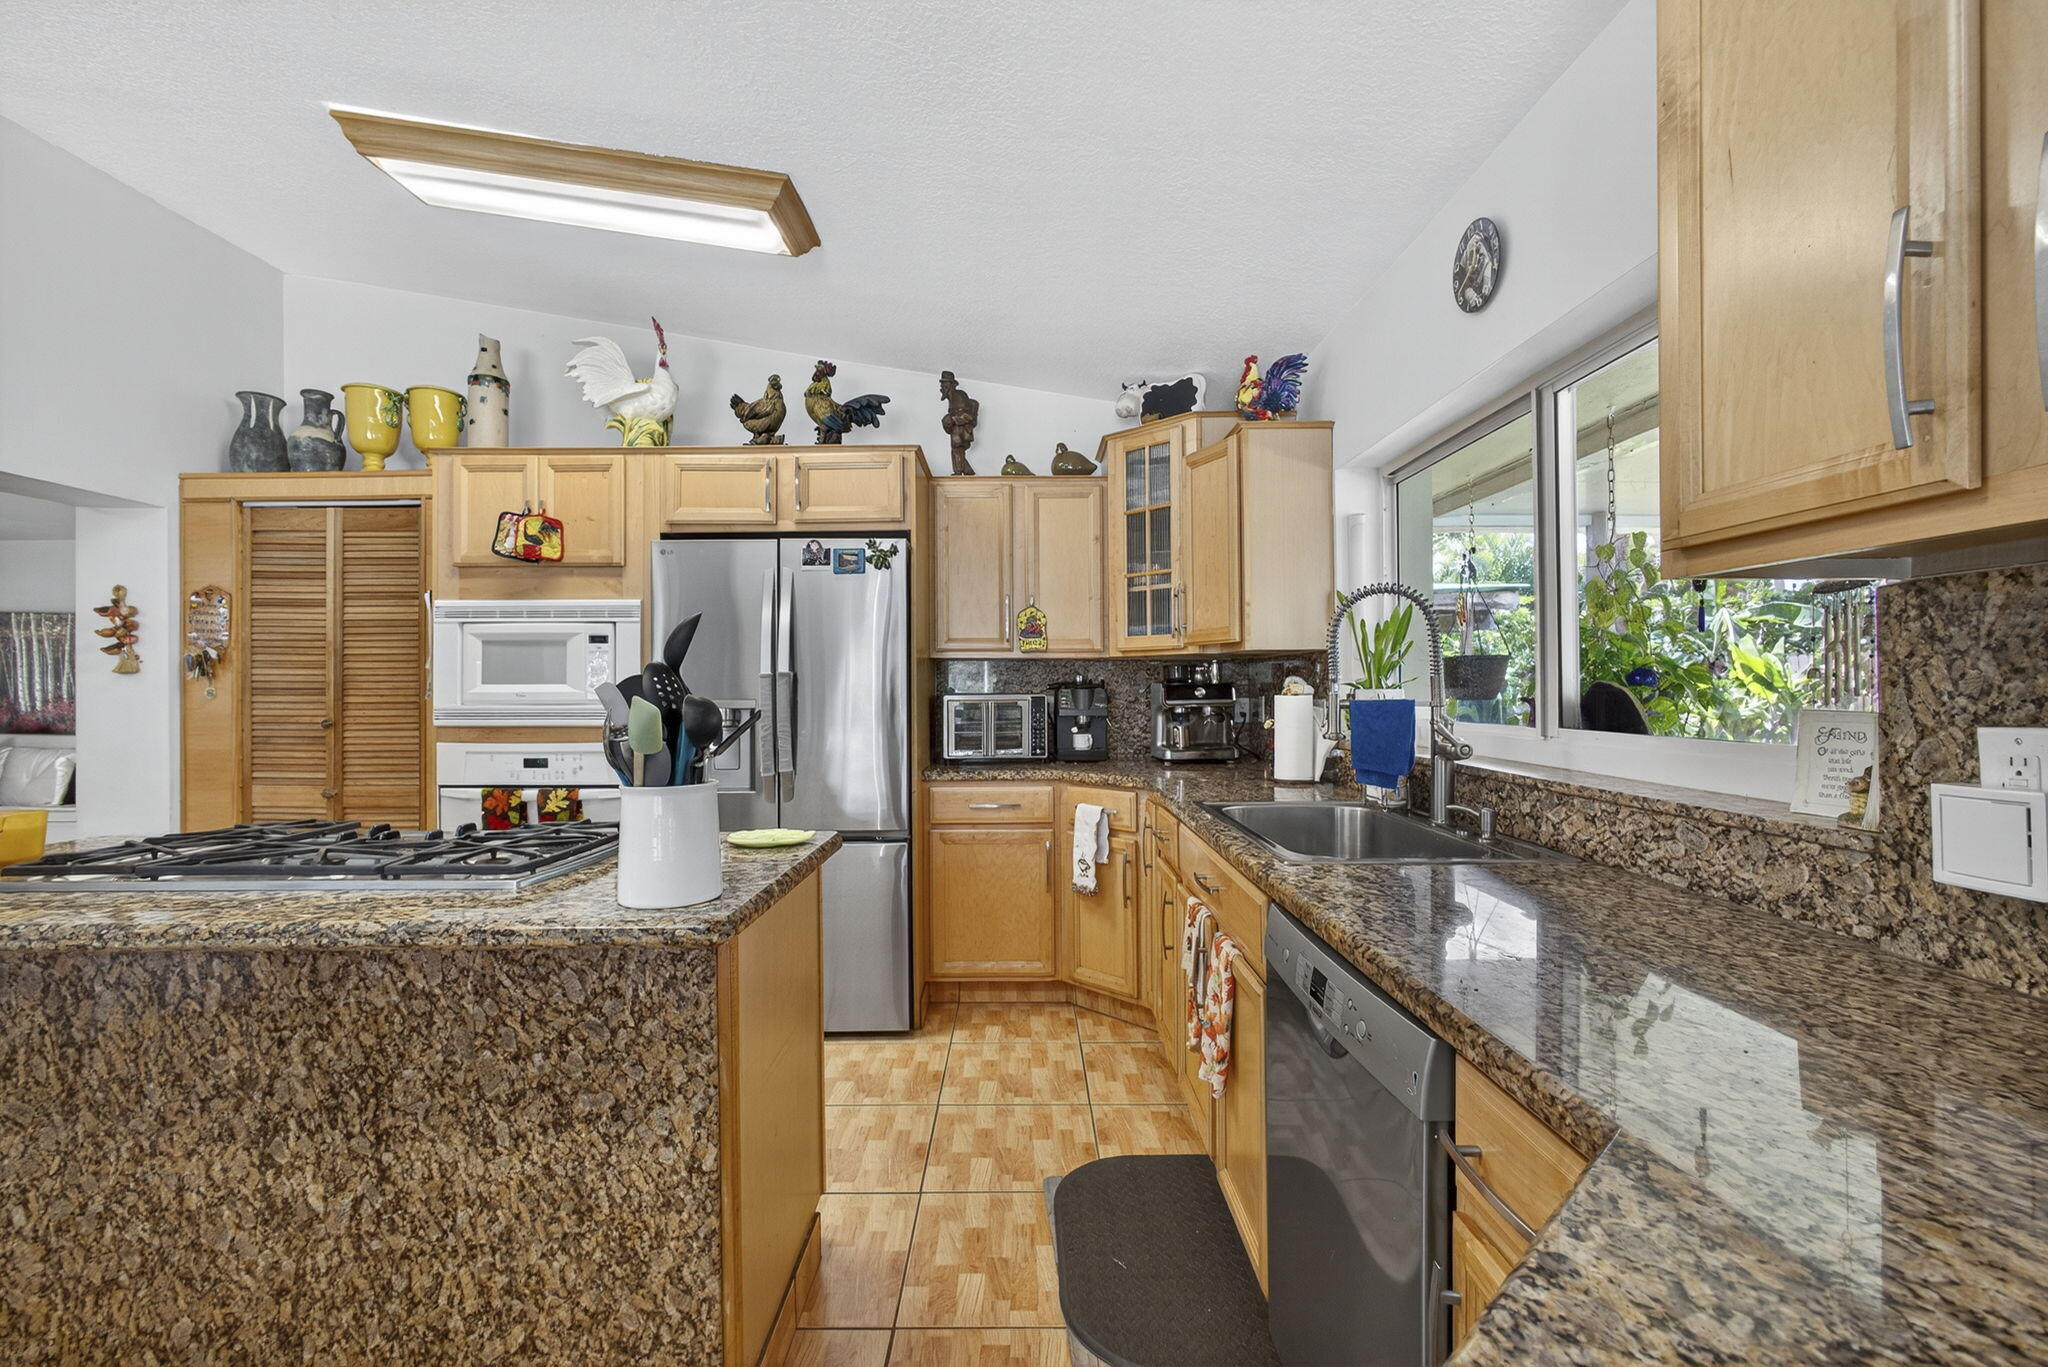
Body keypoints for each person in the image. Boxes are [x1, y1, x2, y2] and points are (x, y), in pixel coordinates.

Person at [939, 371, 979, 476]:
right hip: (957, 429)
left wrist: (951, 419)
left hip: (960, 430)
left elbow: (967, 415)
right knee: (957, 450)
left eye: (943, 385)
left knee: (957, 449)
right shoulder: (952, 398)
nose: (941, 388)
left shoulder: (959, 396)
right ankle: (967, 471)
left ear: (949, 385)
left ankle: (958, 472)